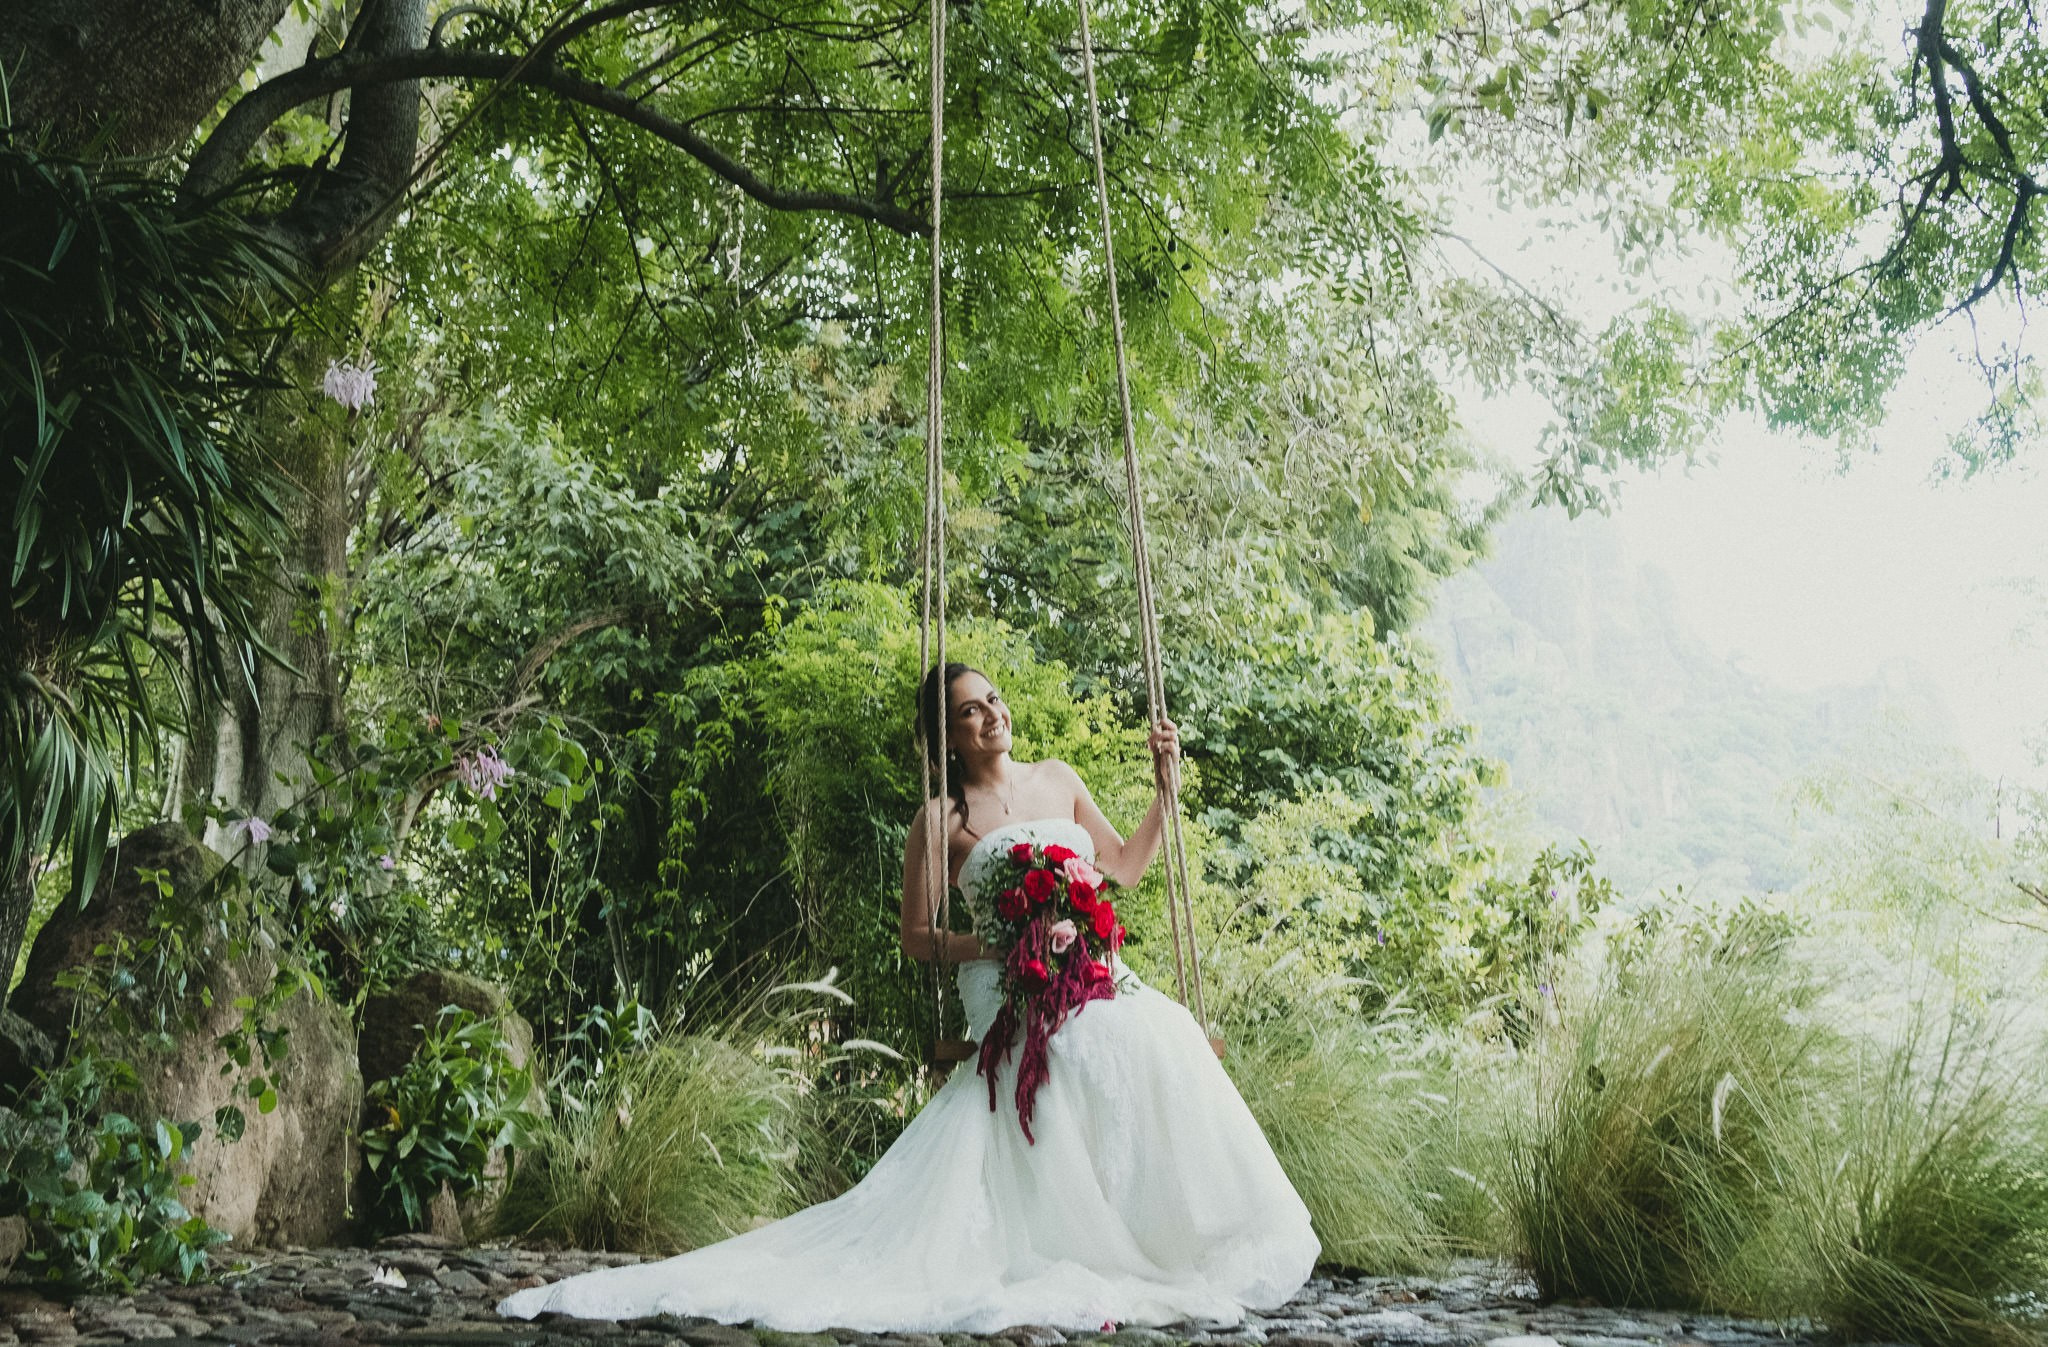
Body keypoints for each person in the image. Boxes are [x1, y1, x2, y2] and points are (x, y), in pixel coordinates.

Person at [498, 663, 1318, 1331]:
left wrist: (1163, 790)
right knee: (1069, 1047)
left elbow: (1124, 870)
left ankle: (1173, 1236)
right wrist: (1003, 940)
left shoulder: (1059, 779)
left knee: (1158, 1028)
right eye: (969, 711)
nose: (991, 714)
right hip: (1005, 983)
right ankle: (1092, 1236)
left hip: (1089, 969)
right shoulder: (940, 817)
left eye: (992, 698)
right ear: (947, 737)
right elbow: (919, 936)